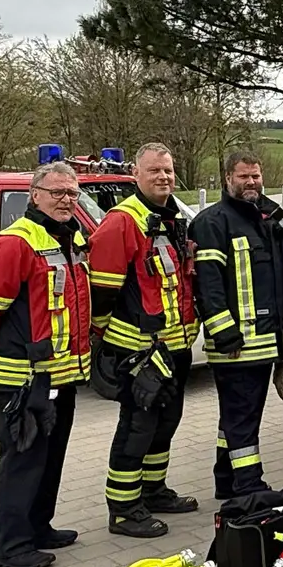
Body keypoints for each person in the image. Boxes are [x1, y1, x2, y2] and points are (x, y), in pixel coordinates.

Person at [0, 162, 93, 567]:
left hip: (60, 376)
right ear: (34, 195)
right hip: (22, 379)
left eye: (72, 193)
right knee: (23, 462)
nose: (65, 200)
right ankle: (11, 547)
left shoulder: (70, 240)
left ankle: (39, 527)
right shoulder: (15, 243)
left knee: (50, 457)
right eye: (57, 192)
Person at [88, 142, 201, 539]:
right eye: (154, 170)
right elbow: (102, 293)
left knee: (164, 424)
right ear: (135, 174)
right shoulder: (123, 221)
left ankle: (154, 490)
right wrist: (107, 344)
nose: (163, 177)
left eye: (168, 170)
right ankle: (122, 509)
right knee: (137, 427)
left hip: (175, 347)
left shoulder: (171, 218)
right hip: (138, 350)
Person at [192, 150, 283, 500]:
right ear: (227, 179)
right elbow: (208, 285)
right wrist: (223, 332)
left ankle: (227, 480)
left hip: (262, 343)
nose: (251, 182)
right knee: (242, 420)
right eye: (243, 176)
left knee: (235, 419)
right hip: (236, 346)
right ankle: (249, 487)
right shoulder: (212, 222)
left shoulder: (264, 221)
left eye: (256, 176)